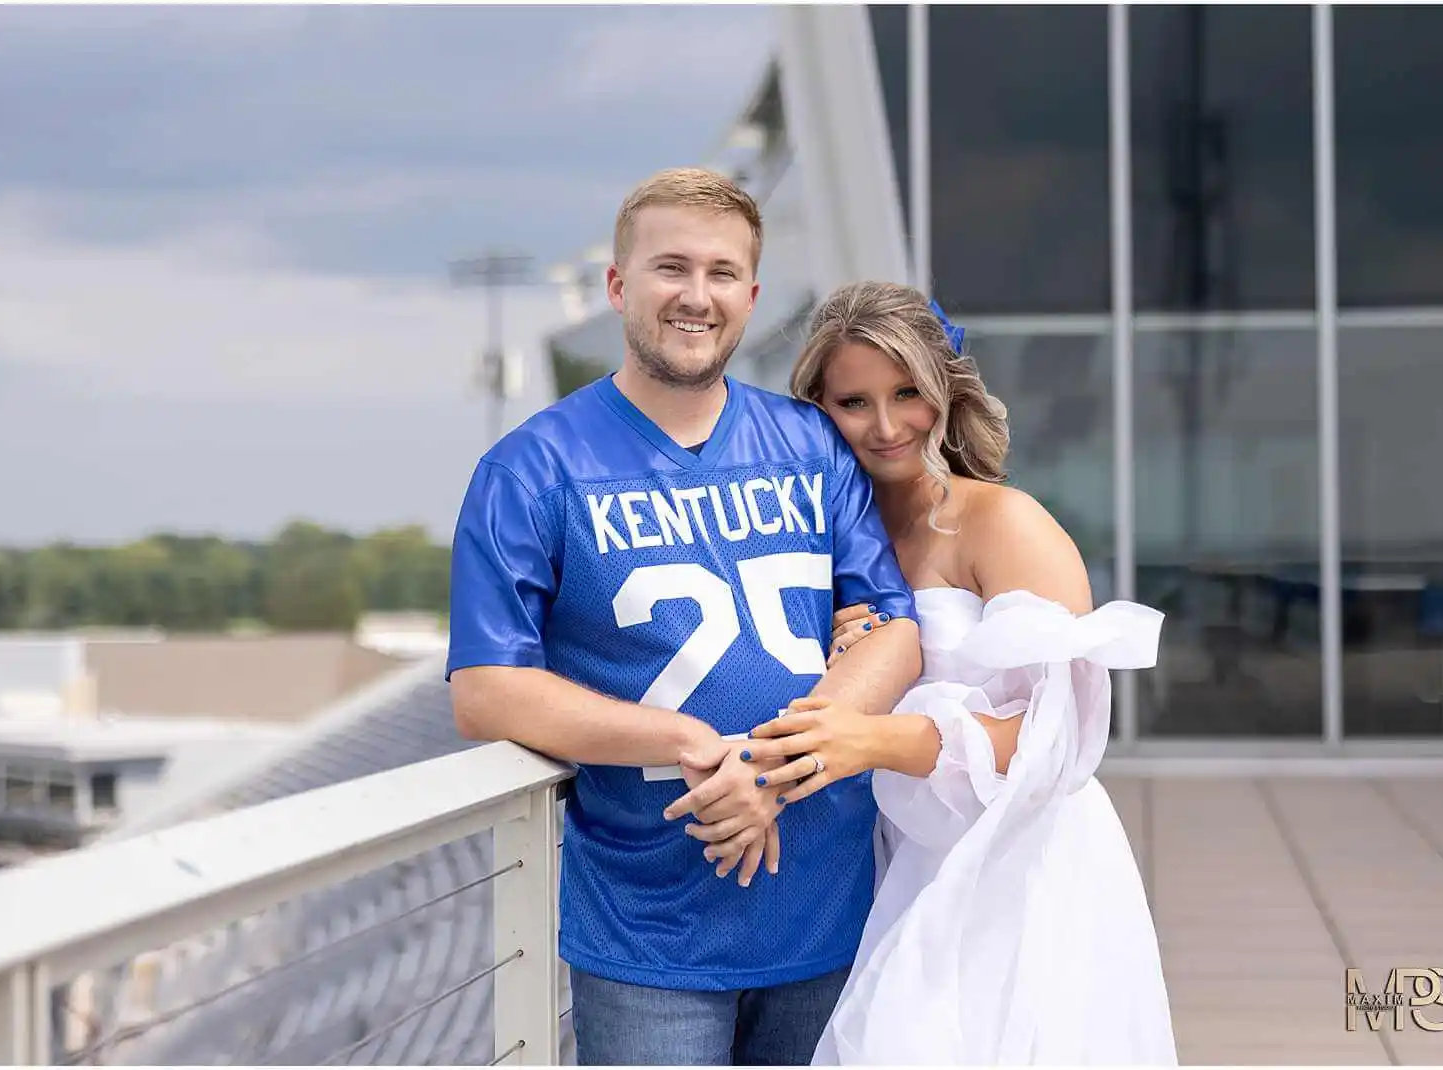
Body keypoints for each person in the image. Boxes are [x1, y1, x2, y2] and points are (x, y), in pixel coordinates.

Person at [447, 171, 924, 1066]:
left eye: (721, 273)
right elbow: (485, 689)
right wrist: (678, 736)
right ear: (619, 285)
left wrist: (766, 766)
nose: (696, 296)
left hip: (832, 905)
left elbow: (891, 626)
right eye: (671, 268)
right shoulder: (530, 469)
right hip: (650, 933)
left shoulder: (811, 443)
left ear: (751, 295)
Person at [714, 281, 1177, 1064]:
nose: (887, 426)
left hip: (1019, 866)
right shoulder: (805, 548)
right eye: (853, 402)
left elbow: (1057, 739)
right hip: (874, 864)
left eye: (907, 394)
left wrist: (876, 739)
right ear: (817, 411)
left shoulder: (1003, 523)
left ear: (944, 393)